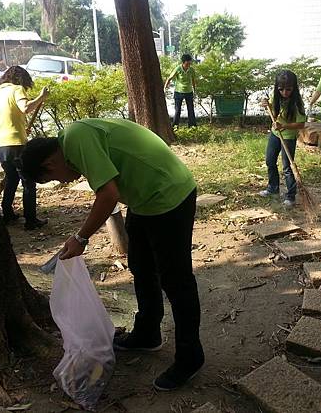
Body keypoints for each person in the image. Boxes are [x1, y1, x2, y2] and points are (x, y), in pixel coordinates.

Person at [19, 118, 204, 391]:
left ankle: (191, 357)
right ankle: (148, 332)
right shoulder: (71, 141)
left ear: (49, 165)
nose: (63, 180)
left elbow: (108, 195)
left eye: (54, 179)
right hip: (144, 200)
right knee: (141, 266)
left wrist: (81, 237)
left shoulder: (76, 139)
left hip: (168, 195)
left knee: (177, 282)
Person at [0, 65, 49, 230]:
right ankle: (31, 220)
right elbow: (25, 108)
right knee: (28, 180)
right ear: (22, 79)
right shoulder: (17, 89)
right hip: (15, 143)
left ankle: (7, 215)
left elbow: (5, 118)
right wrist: (41, 97)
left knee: (11, 179)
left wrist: (22, 127)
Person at [259, 70, 307, 208]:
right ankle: (272, 188)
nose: (285, 92)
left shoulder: (297, 103)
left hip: (288, 137)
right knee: (270, 161)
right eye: (281, 89)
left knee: (287, 167)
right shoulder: (277, 97)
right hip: (275, 134)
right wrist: (266, 105)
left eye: (288, 89)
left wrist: (284, 126)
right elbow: (272, 111)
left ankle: (290, 196)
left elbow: (301, 124)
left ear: (294, 87)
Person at [164, 54, 197, 127]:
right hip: (179, 92)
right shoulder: (178, 69)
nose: (189, 64)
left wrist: (195, 90)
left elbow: (193, 80)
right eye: (187, 63)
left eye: (190, 63)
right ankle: (175, 126)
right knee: (177, 110)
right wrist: (165, 88)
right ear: (183, 62)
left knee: (191, 109)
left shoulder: (191, 70)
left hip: (189, 92)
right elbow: (169, 78)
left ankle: (192, 126)